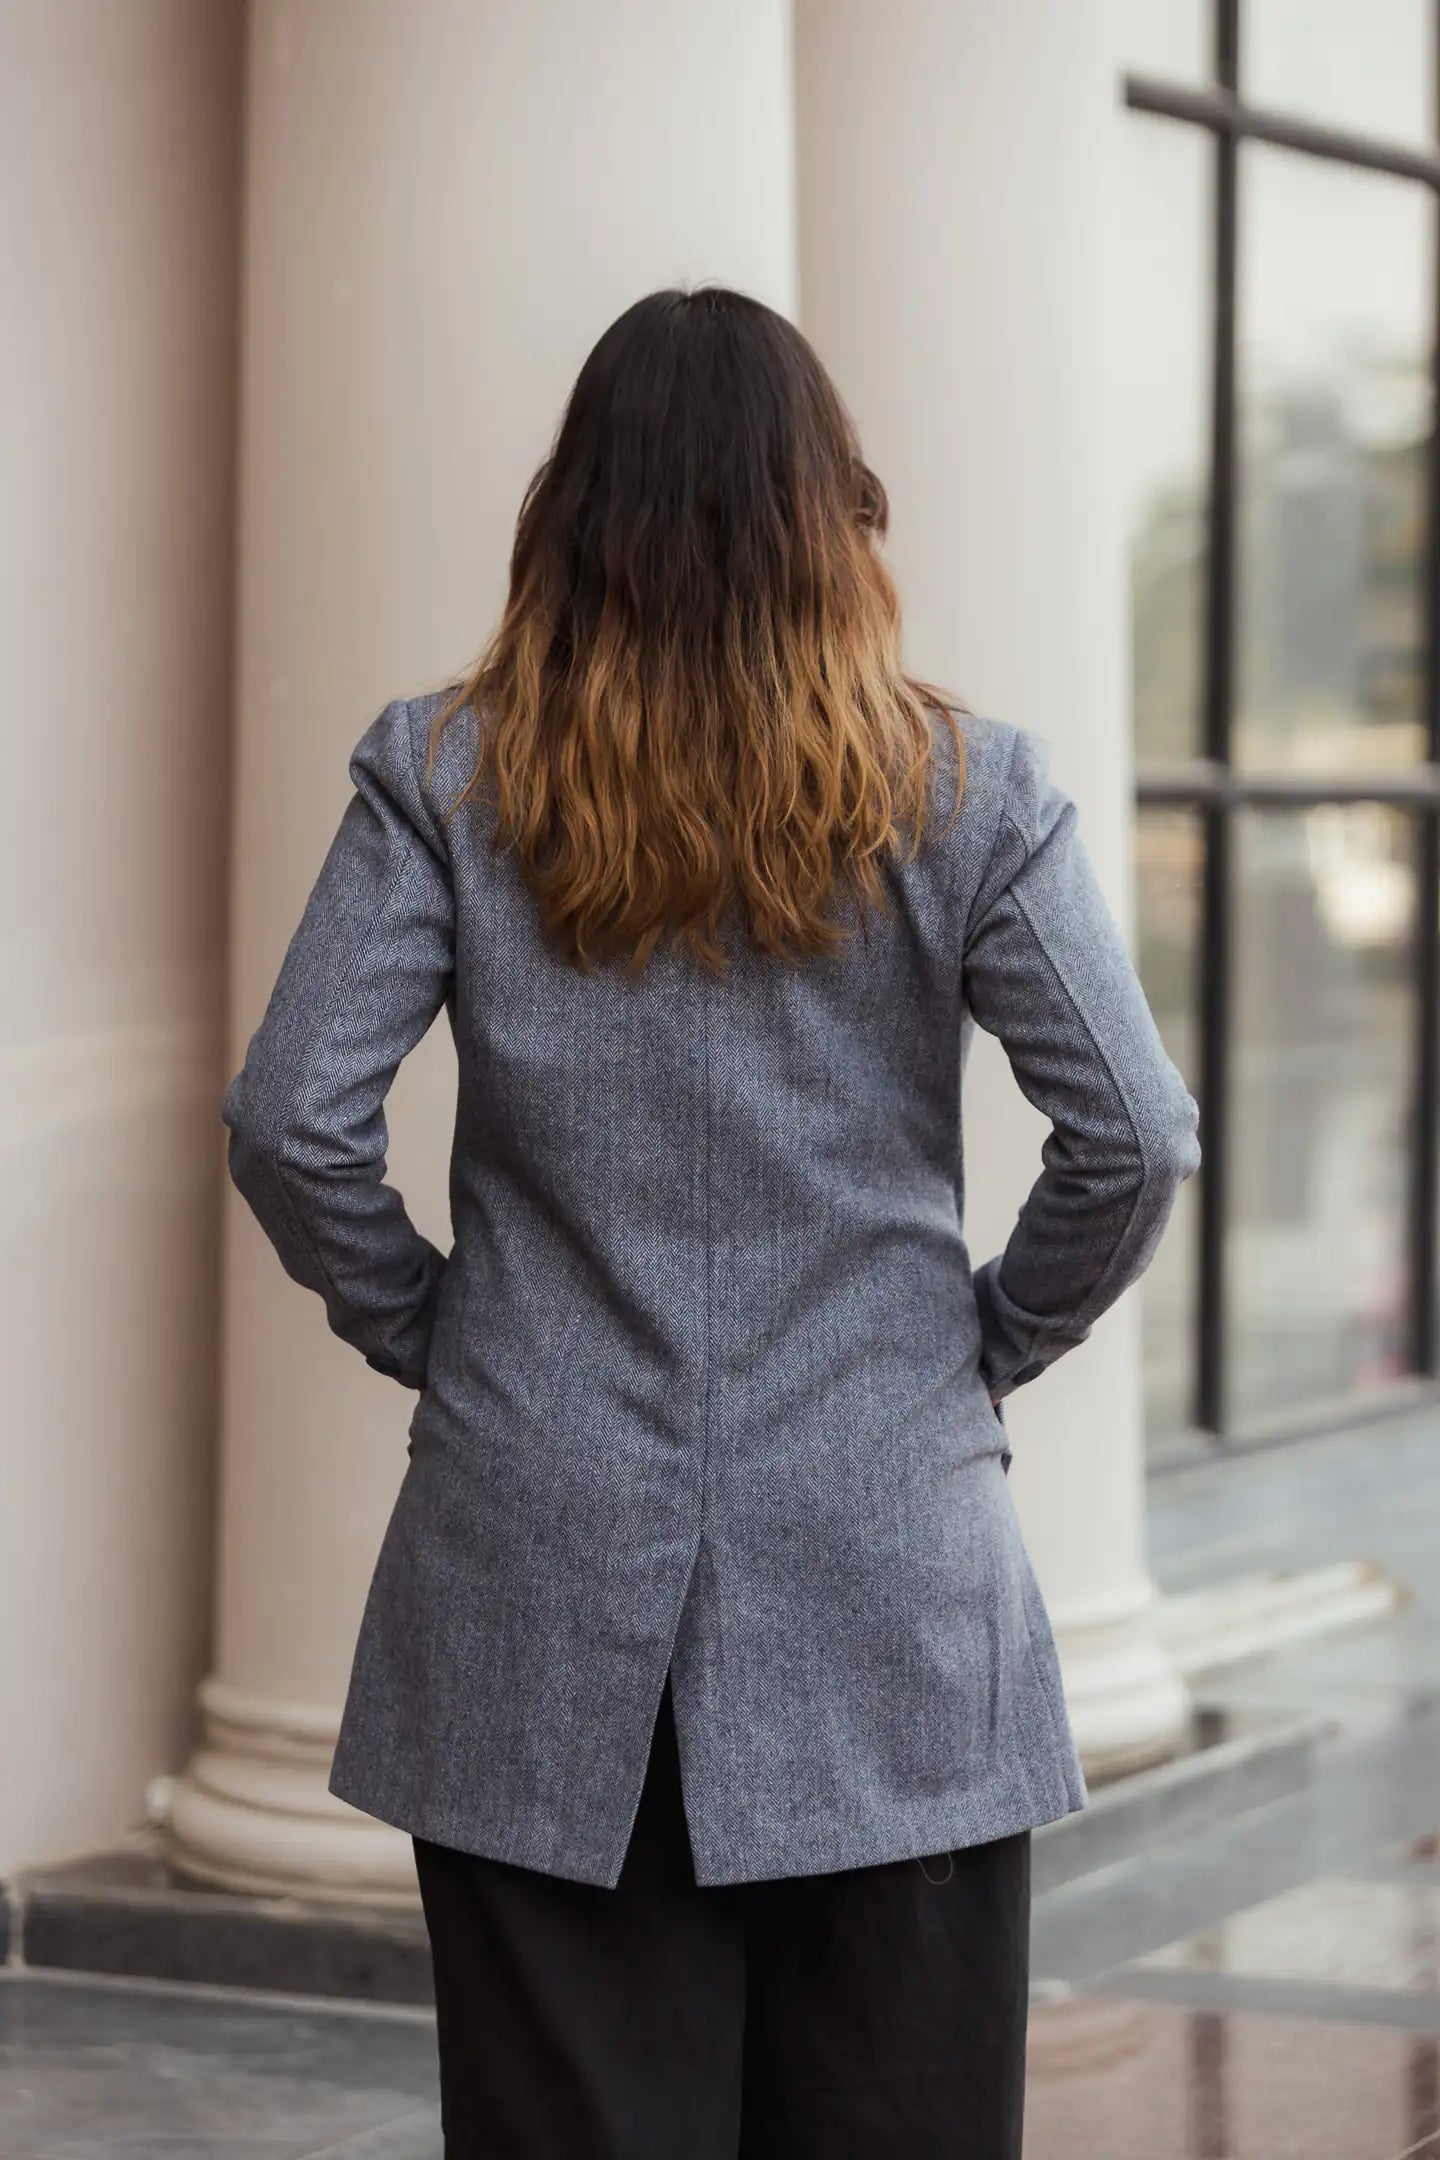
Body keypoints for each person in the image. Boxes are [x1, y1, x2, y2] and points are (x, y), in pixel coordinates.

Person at [221, 284, 1201, 2158]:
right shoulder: (969, 789)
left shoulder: (443, 775)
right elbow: (1138, 1141)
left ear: (564, 511)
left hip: (536, 1554)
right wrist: (982, 1341)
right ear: (839, 512)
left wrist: (440, 1326)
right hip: (887, 1569)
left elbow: (290, 1120)